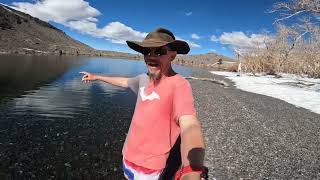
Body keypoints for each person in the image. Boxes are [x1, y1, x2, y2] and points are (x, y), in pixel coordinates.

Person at [80, 28, 206, 180]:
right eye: (147, 52)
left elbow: (189, 124)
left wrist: (191, 169)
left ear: (172, 56)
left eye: (159, 51)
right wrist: (97, 77)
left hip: (151, 167)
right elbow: (125, 82)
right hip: (128, 155)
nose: (151, 57)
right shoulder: (143, 79)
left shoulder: (180, 85)